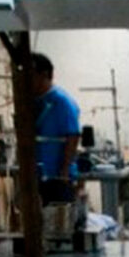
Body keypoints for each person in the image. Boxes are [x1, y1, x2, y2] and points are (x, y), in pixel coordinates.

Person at [31, 53, 82, 204]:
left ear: (44, 74)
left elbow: (73, 135)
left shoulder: (61, 101)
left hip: (57, 176)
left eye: (31, 75)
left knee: (57, 213)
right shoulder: (34, 101)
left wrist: (64, 169)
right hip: (37, 173)